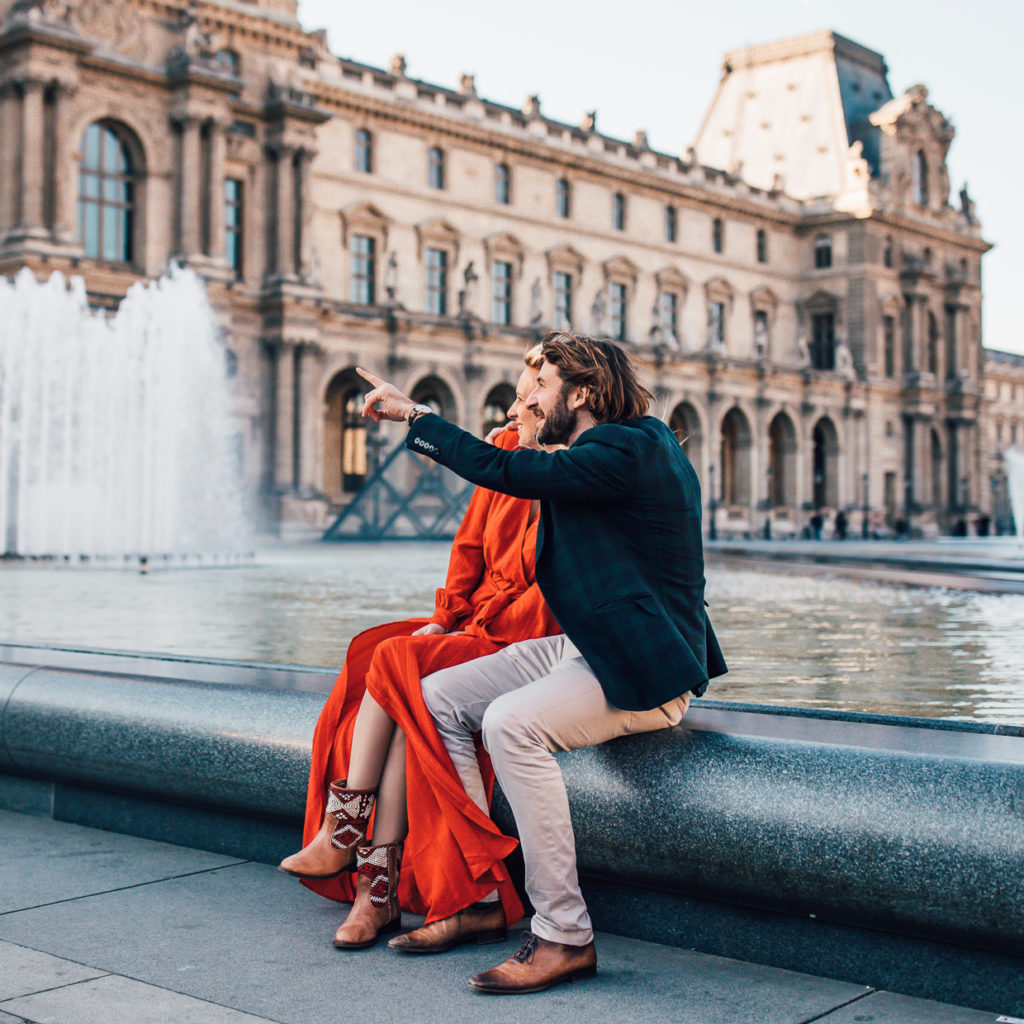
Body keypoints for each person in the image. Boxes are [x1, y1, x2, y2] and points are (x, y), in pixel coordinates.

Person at [357, 330, 726, 993]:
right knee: (438, 695)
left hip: (641, 670)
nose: (529, 397)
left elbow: (508, 472)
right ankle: (479, 888)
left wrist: (415, 417)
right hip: (586, 647)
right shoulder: (615, 446)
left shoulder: (625, 447)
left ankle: (564, 933)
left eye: (543, 388)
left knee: (510, 724)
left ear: (582, 394)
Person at [278, 345, 560, 951]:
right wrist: (445, 619)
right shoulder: (509, 452)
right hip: (477, 625)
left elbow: (557, 592)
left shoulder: (570, 471)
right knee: (384, 664)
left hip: (525, 638)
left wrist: (468, 628)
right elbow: (467, 554)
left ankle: (355, 851)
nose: (513, 410)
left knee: (396, 665)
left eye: (525, 395)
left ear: (562, 397)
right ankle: (370, 888)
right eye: (514, 396)